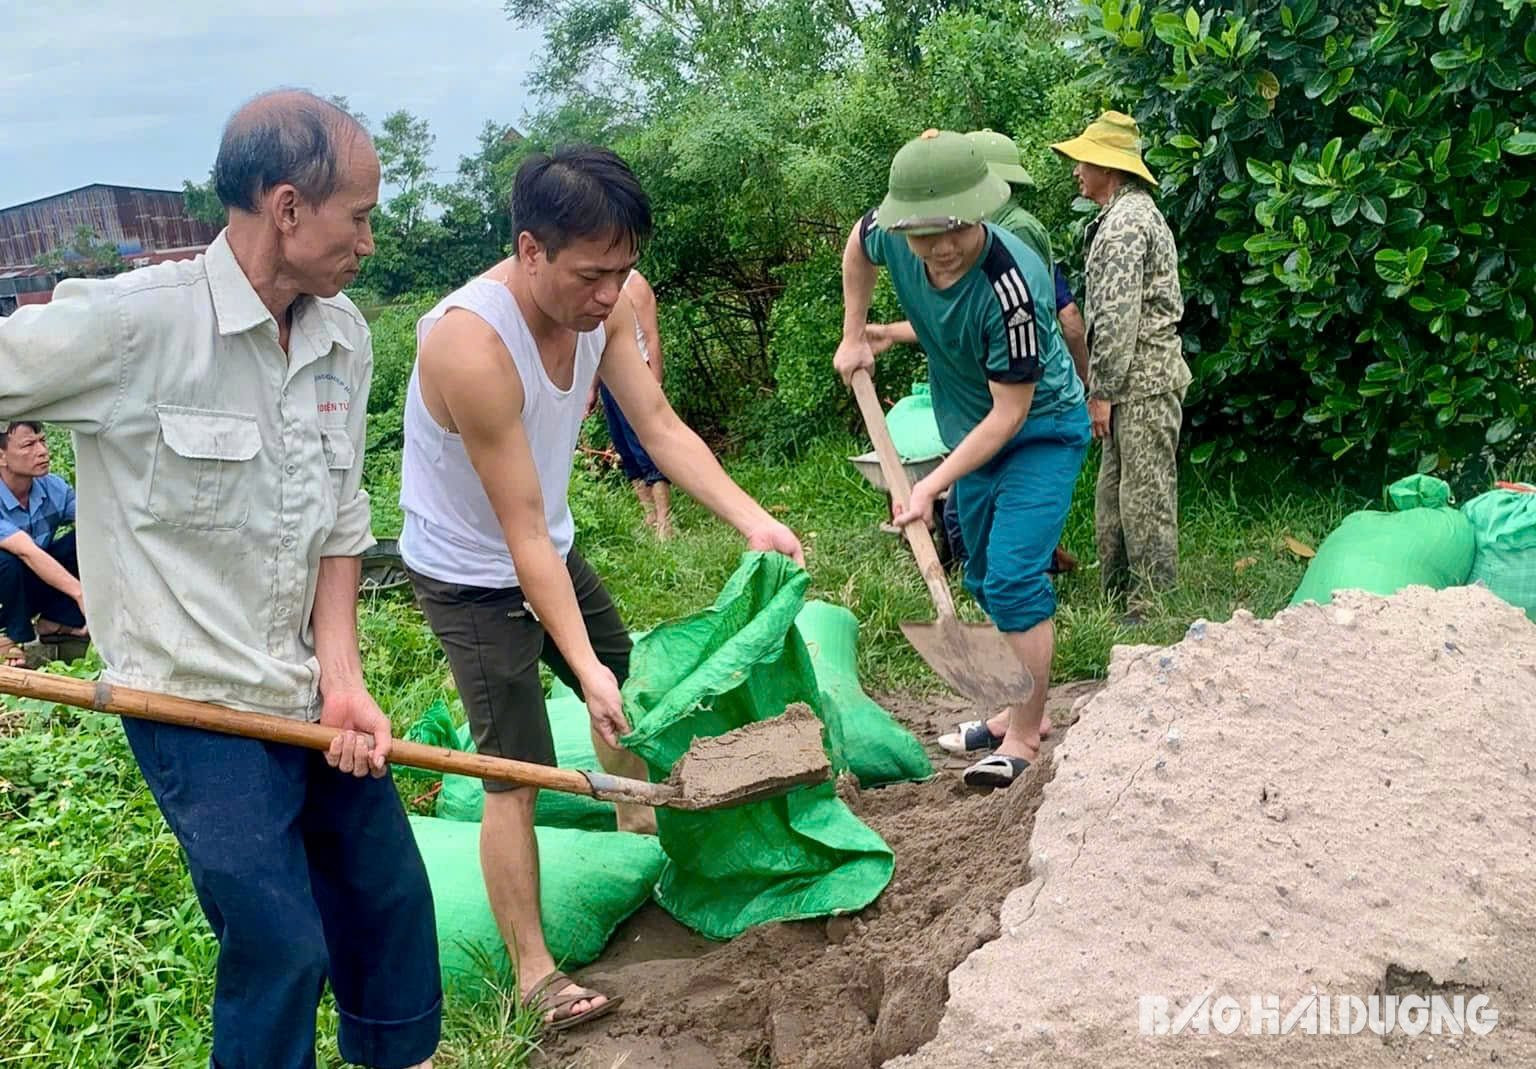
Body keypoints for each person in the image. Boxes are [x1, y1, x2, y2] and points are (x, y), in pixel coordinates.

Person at [0, 90, 441, 1069]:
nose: (368, 242)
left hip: (301, 687)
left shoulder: (345, 335)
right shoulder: (132, 327)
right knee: (283, 945)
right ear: (288, 208)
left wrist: (344, 675)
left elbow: (340, 519)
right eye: (359, 217)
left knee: (389, 903)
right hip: (190, 704)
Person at [400, 144, 804, 1031]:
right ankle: (533, 972)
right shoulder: (470, 344)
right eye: (591, 273)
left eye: (623, 272)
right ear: (530, 249)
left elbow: (657, 423)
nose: (608, 294)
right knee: (516, 768)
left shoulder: (605, 308)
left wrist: (752, 518)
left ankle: (636, 836)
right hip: (470, 571)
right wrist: (579, 664)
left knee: (636, 696)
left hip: (545, 539)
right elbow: (517, 527)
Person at [837, 129, 1089, 790]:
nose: (941, 246)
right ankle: (1008, 709)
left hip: (1040, 431)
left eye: (955, 227)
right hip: (971, 431)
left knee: (1011, 578)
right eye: (923, 234)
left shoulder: (1012, 288)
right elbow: (857, 249)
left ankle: (1028, 734)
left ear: (980, 208)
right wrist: (854, 332)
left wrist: (929, 487)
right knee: (980, 574)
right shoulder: (890, 233)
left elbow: (1010, 415)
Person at [1052, 111, 1191, 624]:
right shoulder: (1125, 216)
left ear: (1107, 167)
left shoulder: (1127, 225)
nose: (1076, 172)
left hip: (1144, 383)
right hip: (1133, 382)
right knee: (1116, 495)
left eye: (1082, 162)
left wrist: (1100, 390)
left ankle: (1151, 607)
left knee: (1145, 496)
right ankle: (1119, 597)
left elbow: (1114, 316)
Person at [593, 268, 674, 538]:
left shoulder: (635, 283)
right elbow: (596, 343)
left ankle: (665, 521)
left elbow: (652, 336)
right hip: (609, 378)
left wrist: (656, 384)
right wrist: (592, 389)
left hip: (638, 371)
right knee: (625, 449)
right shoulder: (599, 284)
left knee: (645, 446)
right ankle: (649, 515)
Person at [0, 420, 87, 665]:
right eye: (28, 444)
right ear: (2, 457)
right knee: (7, 561)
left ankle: (55, 621)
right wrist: (79, 593)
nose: (42, 451)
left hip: (28, 585)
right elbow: (26, 551)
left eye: (42, 441)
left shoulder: (53, 487)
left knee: (83, 541)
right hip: (4, 592)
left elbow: (96, 522)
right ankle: (13, 639)